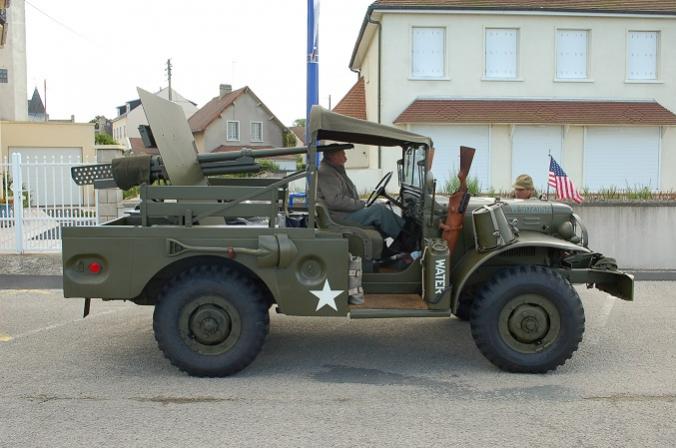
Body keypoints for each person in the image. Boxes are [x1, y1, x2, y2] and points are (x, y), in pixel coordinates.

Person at [317, 149, 404, 240]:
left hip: (343, 213)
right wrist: (360, 204)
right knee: (379, 210)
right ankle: (407, 241)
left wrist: (361, 204)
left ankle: (399, 238)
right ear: (333, 157)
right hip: (341, 217)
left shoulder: (335, 170)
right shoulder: (328, 173)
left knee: (379, 208)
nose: (345, 158)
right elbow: (335, 201)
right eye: (342, 154)